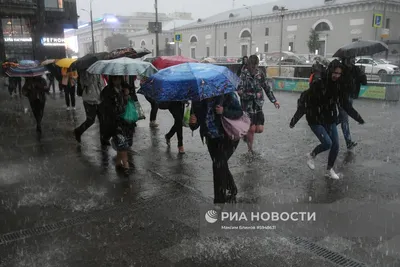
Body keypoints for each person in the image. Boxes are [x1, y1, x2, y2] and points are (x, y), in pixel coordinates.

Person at [289, 59, 365, 179]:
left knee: (335, 145)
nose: (336, 75)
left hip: (329, 117)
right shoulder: (319, 83)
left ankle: (329, 170)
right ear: (330, 71)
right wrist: (294, 120)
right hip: (315, 117)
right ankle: (311, 155)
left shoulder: (340, 86)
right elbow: (305, 103)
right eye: (335, 72)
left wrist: (358, 118)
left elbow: (346, 105)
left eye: (339, 73)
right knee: (327, 143)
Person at [189, 92, 243, 204]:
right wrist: (193, 122)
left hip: (228, 136)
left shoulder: (227, 95)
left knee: (218, 164)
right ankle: (232, 188)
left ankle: (219, 200)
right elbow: (196, 123)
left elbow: (239, 112)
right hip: (211, 138)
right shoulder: (197, 99)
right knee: (220, 164)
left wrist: (224, 111)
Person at [237, 55, 280, 153]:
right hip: (247, 106)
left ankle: (246, 134)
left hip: (258, 105)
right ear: (248, 64)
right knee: (251, 129)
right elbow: (240, 92)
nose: (254, 68)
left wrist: (274, 101)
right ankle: (250, 150)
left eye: (256, 66)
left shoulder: (260, 74)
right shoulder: (243, 75)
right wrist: (253, 95)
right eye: (252, 66)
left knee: (259, 129)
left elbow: (266, 88)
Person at [100, 76, 134, 175]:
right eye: (115, 79)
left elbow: (131, 102)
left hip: (127, 121)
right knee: (122, 143)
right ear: (111, 79)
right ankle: (126, 165)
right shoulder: (107, 91)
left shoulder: (125, 88)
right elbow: (106, 108)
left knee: (125, 143)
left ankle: (118, 162)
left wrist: (127, 95)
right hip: (115, 122)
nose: (117, 81)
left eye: (119, 79)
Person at [339, 57, 367, 150]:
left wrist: (363, 75)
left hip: (351, 96)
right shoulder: (340, 69)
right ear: (345, 59)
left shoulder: (356, 69)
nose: (353, 60)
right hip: (342, 97)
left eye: (353, 58)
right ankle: (348, 142)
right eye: (351, 58)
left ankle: (327, 128)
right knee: (344, 119)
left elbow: (364, 82)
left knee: (341, 118)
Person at [74, 71, 106, 144]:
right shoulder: (83, 73)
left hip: (99, 99)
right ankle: (78, 131)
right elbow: (85, 84)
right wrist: (89, 75)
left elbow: (102, 84)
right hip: (89, 100)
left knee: (103, 120)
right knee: (90, 120)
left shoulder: (98, 72)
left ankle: (103, 139)